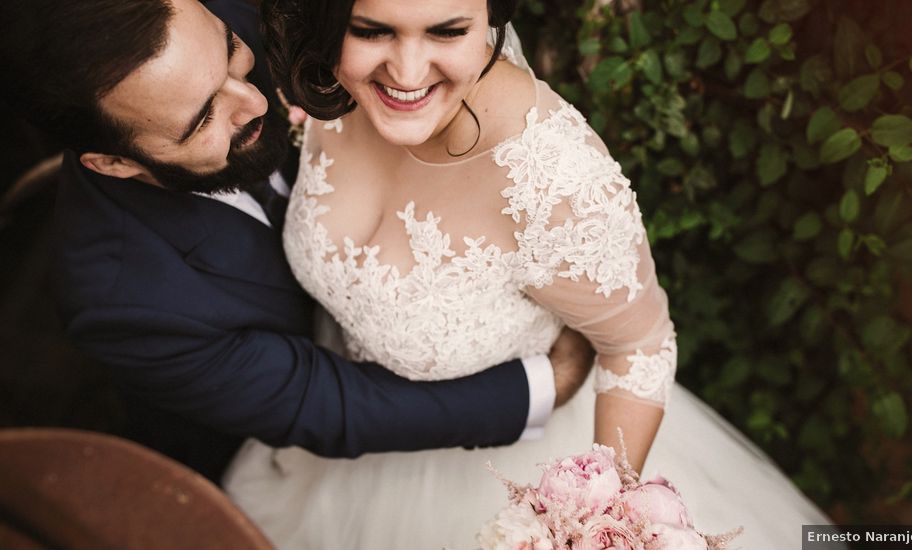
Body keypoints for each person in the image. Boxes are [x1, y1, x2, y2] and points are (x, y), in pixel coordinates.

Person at [219, 0, 836, 548]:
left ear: (490, 18)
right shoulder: (325, 80)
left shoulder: (553, 179)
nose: (406, 74)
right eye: (371, 30)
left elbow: (639, 344)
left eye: (448, 31)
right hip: (339, 448)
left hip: (500, 472)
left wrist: (592, 521)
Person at [0, 0, 596, 486]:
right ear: (113, 162)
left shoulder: (250, 13)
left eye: (233, 55)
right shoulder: (122, 302)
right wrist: (541, 386)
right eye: (203, 119)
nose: (255, 100)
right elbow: (323, 400)